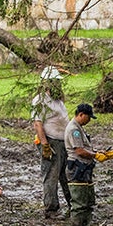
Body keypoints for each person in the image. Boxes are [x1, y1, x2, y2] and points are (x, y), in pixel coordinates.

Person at [31, 66, 71, 218]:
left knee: (65, 174)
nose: (58, 85)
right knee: (51, 175)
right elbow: (38, 123)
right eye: (54, 82)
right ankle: (51, 209)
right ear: (47, 83)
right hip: (51, 142)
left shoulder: (58, 100)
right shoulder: (40, 101)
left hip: (62, 142)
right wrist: (45, 144)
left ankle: (73, 204)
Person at [65, 103, 99, 226]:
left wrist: (96, 152)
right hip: (77, 169)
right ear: (81, 115)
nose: (89, 120)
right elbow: (79, 151)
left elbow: (85, 148)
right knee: (79, 203)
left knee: (87, 201)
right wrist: (95, 155)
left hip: (85, 169)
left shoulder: (79, 128)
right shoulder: (74, 129)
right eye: (88, 117)